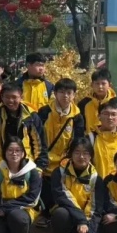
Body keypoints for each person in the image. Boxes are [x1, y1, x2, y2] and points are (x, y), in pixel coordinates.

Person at [38, 78, 85, 224]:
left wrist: (70, 159)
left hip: (64, 160)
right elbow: (37, 136)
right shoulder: (44, 112)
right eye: (62, 92)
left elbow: (78, 140)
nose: (65, 96)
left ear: (74, 95)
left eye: (69, 93)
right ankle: (45, 214)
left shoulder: (77, 117)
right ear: (55, 93)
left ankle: (58, 215)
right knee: (45, 189)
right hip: (45, 158)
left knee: (61, 188)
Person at [0, 137, 42, 233]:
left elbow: (32, 198)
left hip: (23, 209)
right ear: (4, 152)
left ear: (23, 153)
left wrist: (7, 207)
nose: (14, 153)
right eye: (10, 150)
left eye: (18, 150)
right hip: (1, 210)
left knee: (17, 217)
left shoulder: (32, 172)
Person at [50, 137, 100, 233]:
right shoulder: (59, 172)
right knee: (60, 213)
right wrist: (80, 219)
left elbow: (96, 208)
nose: (81, 157)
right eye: (77, 152)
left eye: (85, 153)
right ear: (70, 154)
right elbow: (62, 198)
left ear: (91, 156)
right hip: (68, 215)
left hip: (86, 220)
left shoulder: (96, 178)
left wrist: (87, 229)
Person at [0, 82, 47, 170]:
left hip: (25, 158)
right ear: (2, 97)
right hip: (1, 159)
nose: (10, 100)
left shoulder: (31, 116)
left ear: (21, 97)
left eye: (14, 97)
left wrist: (40, 166)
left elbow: (40, 143)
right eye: (7, 97)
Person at [78, 68, 117, 133]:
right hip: (90, 138)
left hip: (112, 138)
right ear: (92, 85)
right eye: (97, 83)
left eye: (103, 83)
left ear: (109, 85)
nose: (100, 87)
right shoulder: (84, 103)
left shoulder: (115, 103)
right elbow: (79, 126)